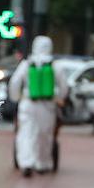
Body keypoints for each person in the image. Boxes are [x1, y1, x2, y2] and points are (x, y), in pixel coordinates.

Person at [9, 35, 68, 176]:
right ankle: (42, 164)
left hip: (28, 103)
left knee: (26, 133)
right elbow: (64, 87)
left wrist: (16, 97)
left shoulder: (27, 64)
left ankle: (26, 163)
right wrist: (59, 98)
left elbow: (15, 82)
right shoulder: (55, 65)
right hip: (47, 106)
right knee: (45, 134)